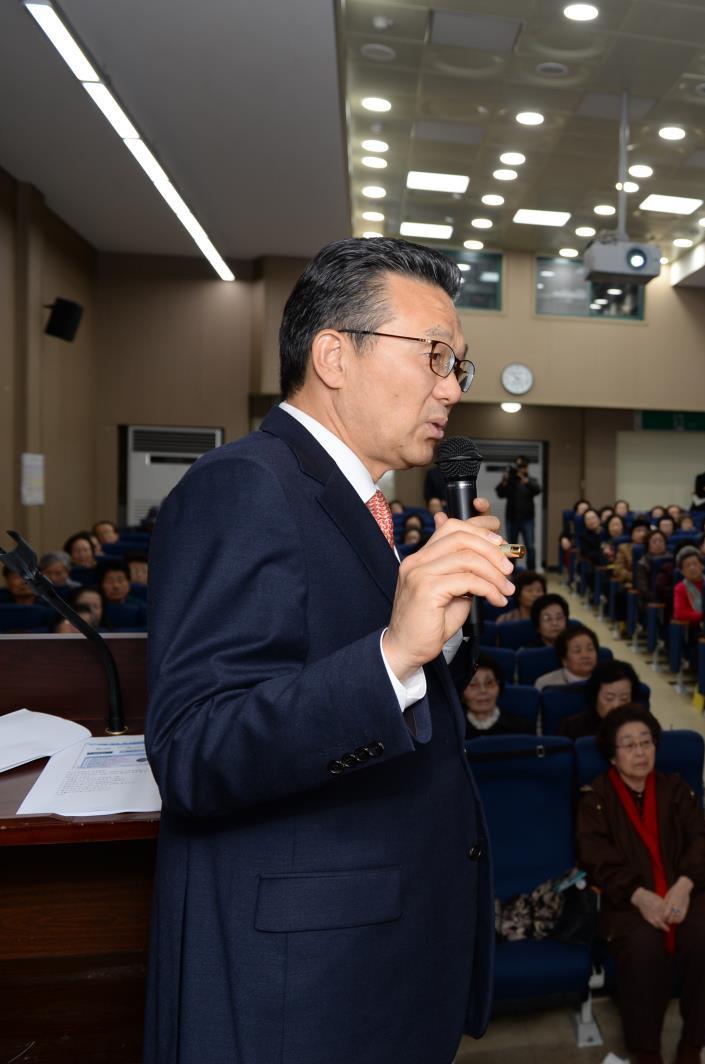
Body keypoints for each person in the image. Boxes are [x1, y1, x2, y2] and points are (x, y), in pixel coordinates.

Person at [143, 237, 497, 1060]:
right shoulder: (246, 486)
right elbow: (196, 749)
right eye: (436, 357)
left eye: (459, 367)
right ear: (334, 354)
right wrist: (392, 655)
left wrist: (431, 646)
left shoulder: (362, 506)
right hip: (302, 991)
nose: (451, 389)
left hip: (381, 958)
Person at [576, 706, 705, 1064]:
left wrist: (683, 885)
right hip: (628, 901)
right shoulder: (596, 798)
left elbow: (702, 840)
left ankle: (692, 1045)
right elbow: (595, 856)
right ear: (612, 755)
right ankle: (646, 1051)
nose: (639, 752)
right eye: (629, 745)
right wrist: (639, 895)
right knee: (643, 951)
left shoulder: (675, 787)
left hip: (687, 893)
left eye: (646, 743)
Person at [559, 659, 644, 740]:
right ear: (595, 697)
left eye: (624, 699)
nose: (616, 705)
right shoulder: (571, 728)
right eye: (609, 698)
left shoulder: (643, 726)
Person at [462, 659, 536, 737]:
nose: (483, 691)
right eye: (473, 684)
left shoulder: (522, 728)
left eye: (489, 683)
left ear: (499, 687)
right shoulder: (452, 730)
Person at [494, 454, 541, 560]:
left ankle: (531, 574)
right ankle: (512, 573)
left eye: (523, 466)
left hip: (527, 519)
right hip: (512, 519)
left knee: (530, 547)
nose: (520, 468)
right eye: (518, 466)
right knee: (512, 548)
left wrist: (525, 480)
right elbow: (500, 493)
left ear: (527, 467)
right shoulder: (510, 482)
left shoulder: (531, 480)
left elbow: (537, 490)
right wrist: (504, 480)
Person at [535, 623, 600, 691]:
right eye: (577, 651)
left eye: (590, 649)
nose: (585, 656)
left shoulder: (606, 682)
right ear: (564, 660)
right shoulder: (546, 684)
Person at [671, 548, 705, 635]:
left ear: (702, 566)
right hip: (694, 629)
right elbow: (680, 613)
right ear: (682, 571)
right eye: (687, 565)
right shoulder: (680, 588)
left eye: (695, 564)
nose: (692, 568)